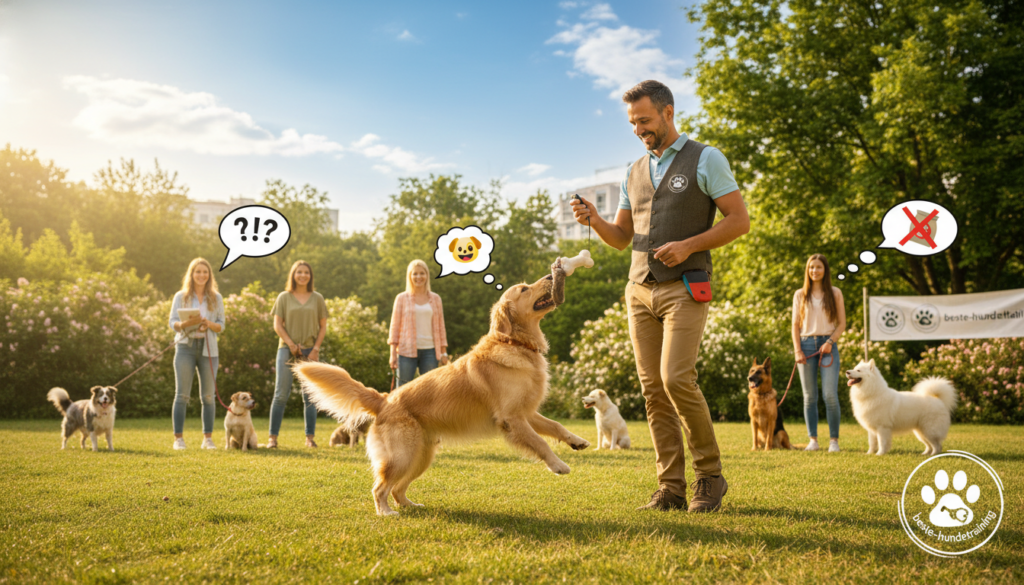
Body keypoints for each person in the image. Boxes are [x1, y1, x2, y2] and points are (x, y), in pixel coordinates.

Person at [570, 80, 749, 513]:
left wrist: (689, 245)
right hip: (638, 290)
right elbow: (621, 237)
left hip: (684, 287)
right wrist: (594, 220)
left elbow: (739, 221)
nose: (638, 129)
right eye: (632, 123)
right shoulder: (634, 171)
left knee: (675, 379)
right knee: (652, 390)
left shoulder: (706, 158)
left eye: (644, 120)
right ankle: (670, 487)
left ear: (668, 112)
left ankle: (710, 477)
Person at [268, 261, 328, 448]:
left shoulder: (317, 298)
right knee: (280, 394)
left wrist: (316, 349)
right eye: (299, 272)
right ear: (293, 275)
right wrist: (291, 344)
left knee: (310, 396)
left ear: (310, 276)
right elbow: (277, 325)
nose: (303, 275)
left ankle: (309, 438)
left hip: (310, 350)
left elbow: (323, 326)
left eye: (306, 272)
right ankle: (272, 438)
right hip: (286, 349)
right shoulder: (284, 297)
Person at [168, 258, 225, 451]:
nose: (201, 275)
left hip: (209, 349)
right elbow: (172, 322)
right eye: (197, 272)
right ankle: (178, 439)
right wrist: (183, 325)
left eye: (205, 272)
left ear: (209, 276)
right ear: (191, 274)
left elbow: (221, 326)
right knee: (182, 395)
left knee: (208, 396)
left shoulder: (216, 298)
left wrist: (208, 324)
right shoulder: (181, 296)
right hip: (185, 347)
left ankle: (207, 439)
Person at [792, 254, 846, 453]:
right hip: (805, 345)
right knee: (809, 396)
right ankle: (813, 440)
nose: (815, 271)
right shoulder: (800, 295)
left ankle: (834, 441)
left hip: (828, 345)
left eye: (819, 267)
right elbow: (795, 326)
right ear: (808, 270)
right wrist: (798, 350)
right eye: (811, 267)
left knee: (830, 395)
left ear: (825, 270)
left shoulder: (835, 293)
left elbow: (842, 324)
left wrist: (830, 341)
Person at [389, 259, 449, 387]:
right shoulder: (401, 298)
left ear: (427, 275)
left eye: (422, 273)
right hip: (406, 351)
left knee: (430, 389)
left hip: (430, 351)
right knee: (403, 390)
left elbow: (440, 326)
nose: (418, 277)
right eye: (415, 273)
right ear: (410, 276)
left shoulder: (436, 299)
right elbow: (394, 327)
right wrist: (392, 353)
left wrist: (443, 352)